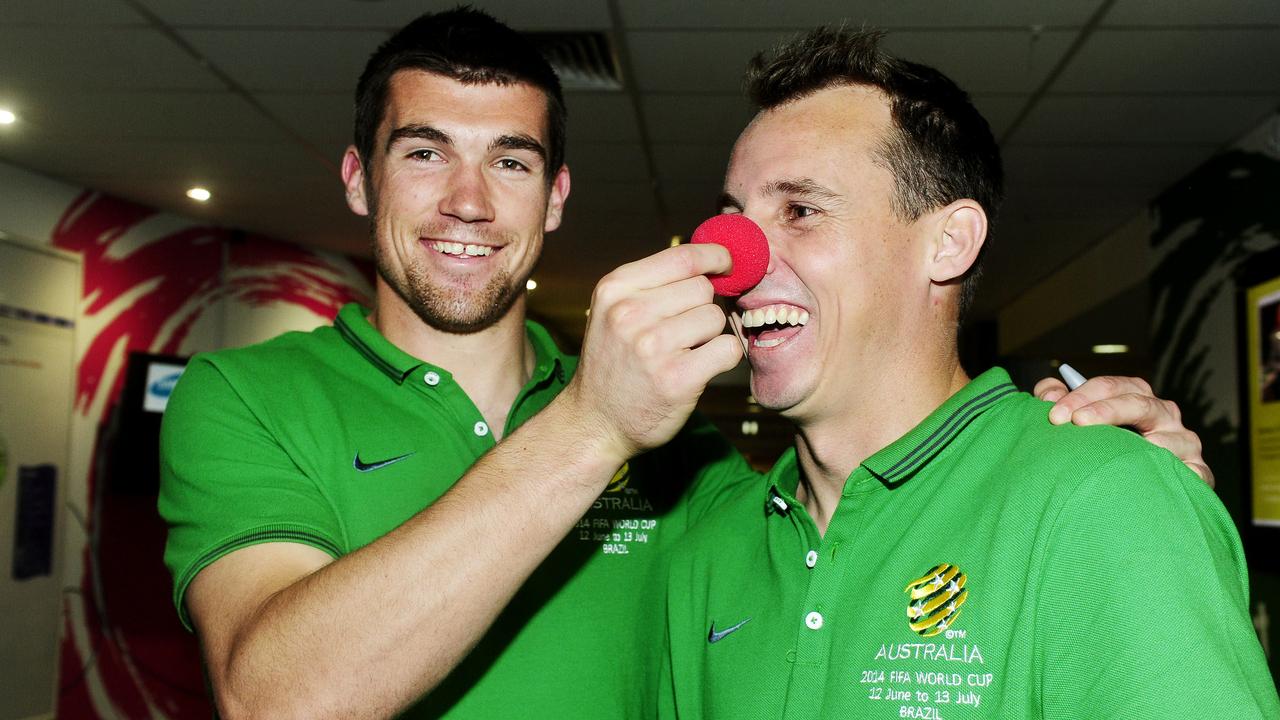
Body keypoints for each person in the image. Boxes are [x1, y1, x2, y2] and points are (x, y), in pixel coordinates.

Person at [158, 9, 1215, 720]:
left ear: (556, 197)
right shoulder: (240, 396)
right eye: (423, 150)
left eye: (511, 161)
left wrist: (1118, 490)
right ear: (358, 177)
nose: (468, 203)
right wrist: (590, 425)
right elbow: (275, 698)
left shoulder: (699, 483)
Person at [658, 27, 1279, 719]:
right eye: (733, 219)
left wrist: (1140, 494)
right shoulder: (707, 556)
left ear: (948, 244)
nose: (732, 260)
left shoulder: (1104, 498)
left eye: (801, 210)